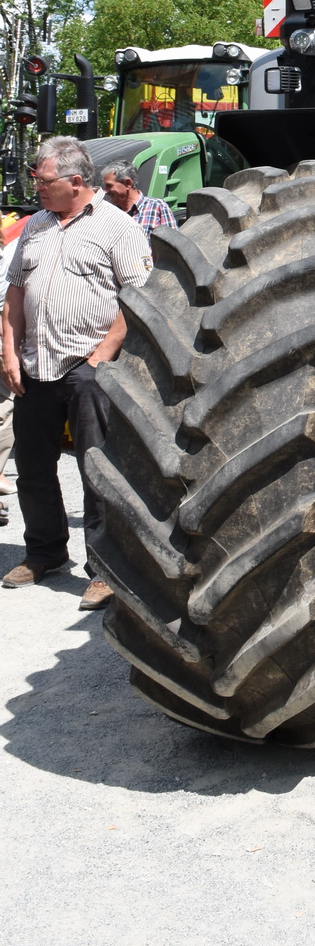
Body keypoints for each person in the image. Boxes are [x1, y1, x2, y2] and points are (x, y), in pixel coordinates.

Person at [1, 136, 153, 607]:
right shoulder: (37, 225)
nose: (37, 189)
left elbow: (139, 300)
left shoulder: (117, 227)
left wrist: (100, 358)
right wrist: (8, 351)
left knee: (96, 469)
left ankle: (104, 568)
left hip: (90, 366)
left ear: (75, 181)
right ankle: (44, 552)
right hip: (35, 365)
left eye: (43, 181)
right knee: (33, 467)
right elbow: (16, 294)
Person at [101, 162, 177, 235]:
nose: (105, 191)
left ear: (128, 183)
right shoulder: (110, 213)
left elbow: (172, 243)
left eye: (109, 186)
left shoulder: (157, 207)